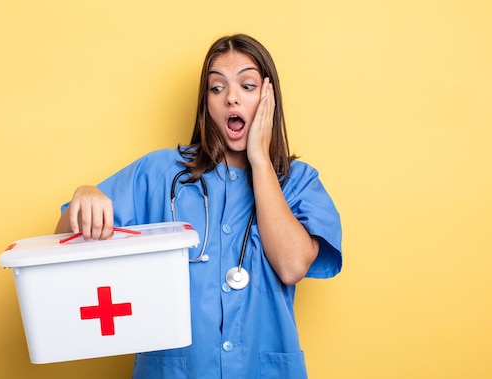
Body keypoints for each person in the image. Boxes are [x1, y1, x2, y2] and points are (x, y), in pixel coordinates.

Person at [55, 34, 342, 379]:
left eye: (247, 86)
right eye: (216, 88)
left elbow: (292, 265)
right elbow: (64, 237)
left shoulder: (298, 182)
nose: (231, 97)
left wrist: (260, 161)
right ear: (205, 102)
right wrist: (86, 195)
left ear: (269, 99)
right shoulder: (160, 173)